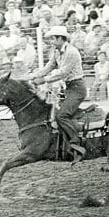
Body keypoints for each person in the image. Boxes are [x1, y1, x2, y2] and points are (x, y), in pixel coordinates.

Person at [30, 26, 86, 163]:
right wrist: (30, 77)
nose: (51, 42)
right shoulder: (57, 52)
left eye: (53, 39)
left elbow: (62, 72)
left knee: (62, 116)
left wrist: (43, 80)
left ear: (61, 38)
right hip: (69, 88)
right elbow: (48, 68)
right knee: (54, 115)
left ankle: (76, 143)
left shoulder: (71, 52)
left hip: (77, 88)